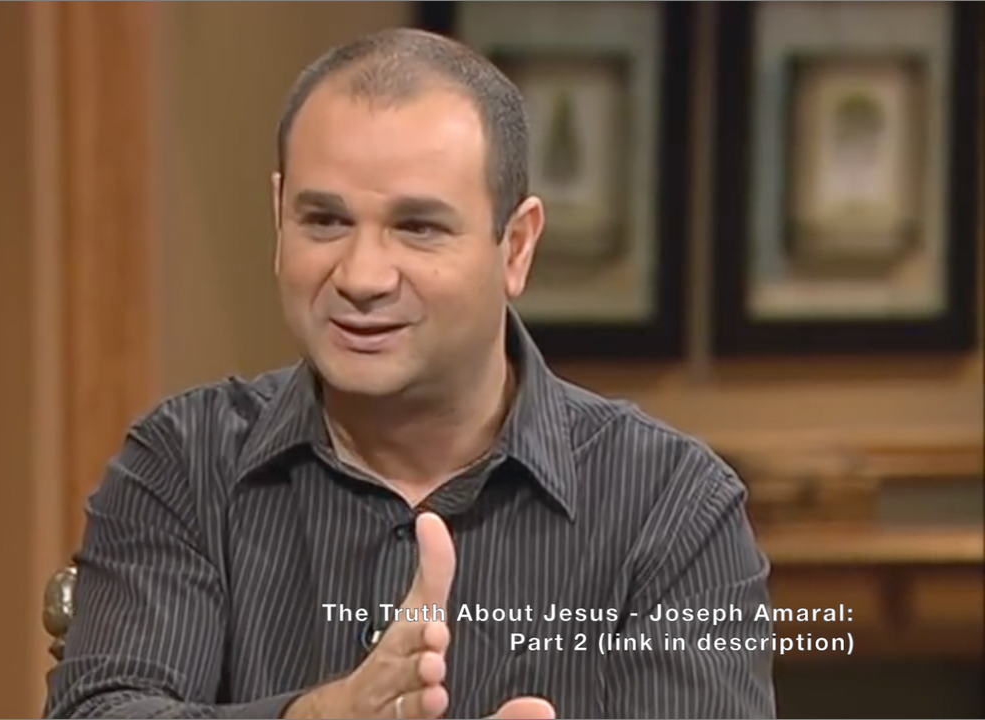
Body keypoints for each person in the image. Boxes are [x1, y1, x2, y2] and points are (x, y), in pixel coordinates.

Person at [43, 27, 776, 720]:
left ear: (516, 246)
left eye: (418, 227)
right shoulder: (184, 464)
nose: (361, 276)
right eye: (325, 221)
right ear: (278, 219)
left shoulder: (669, 506)